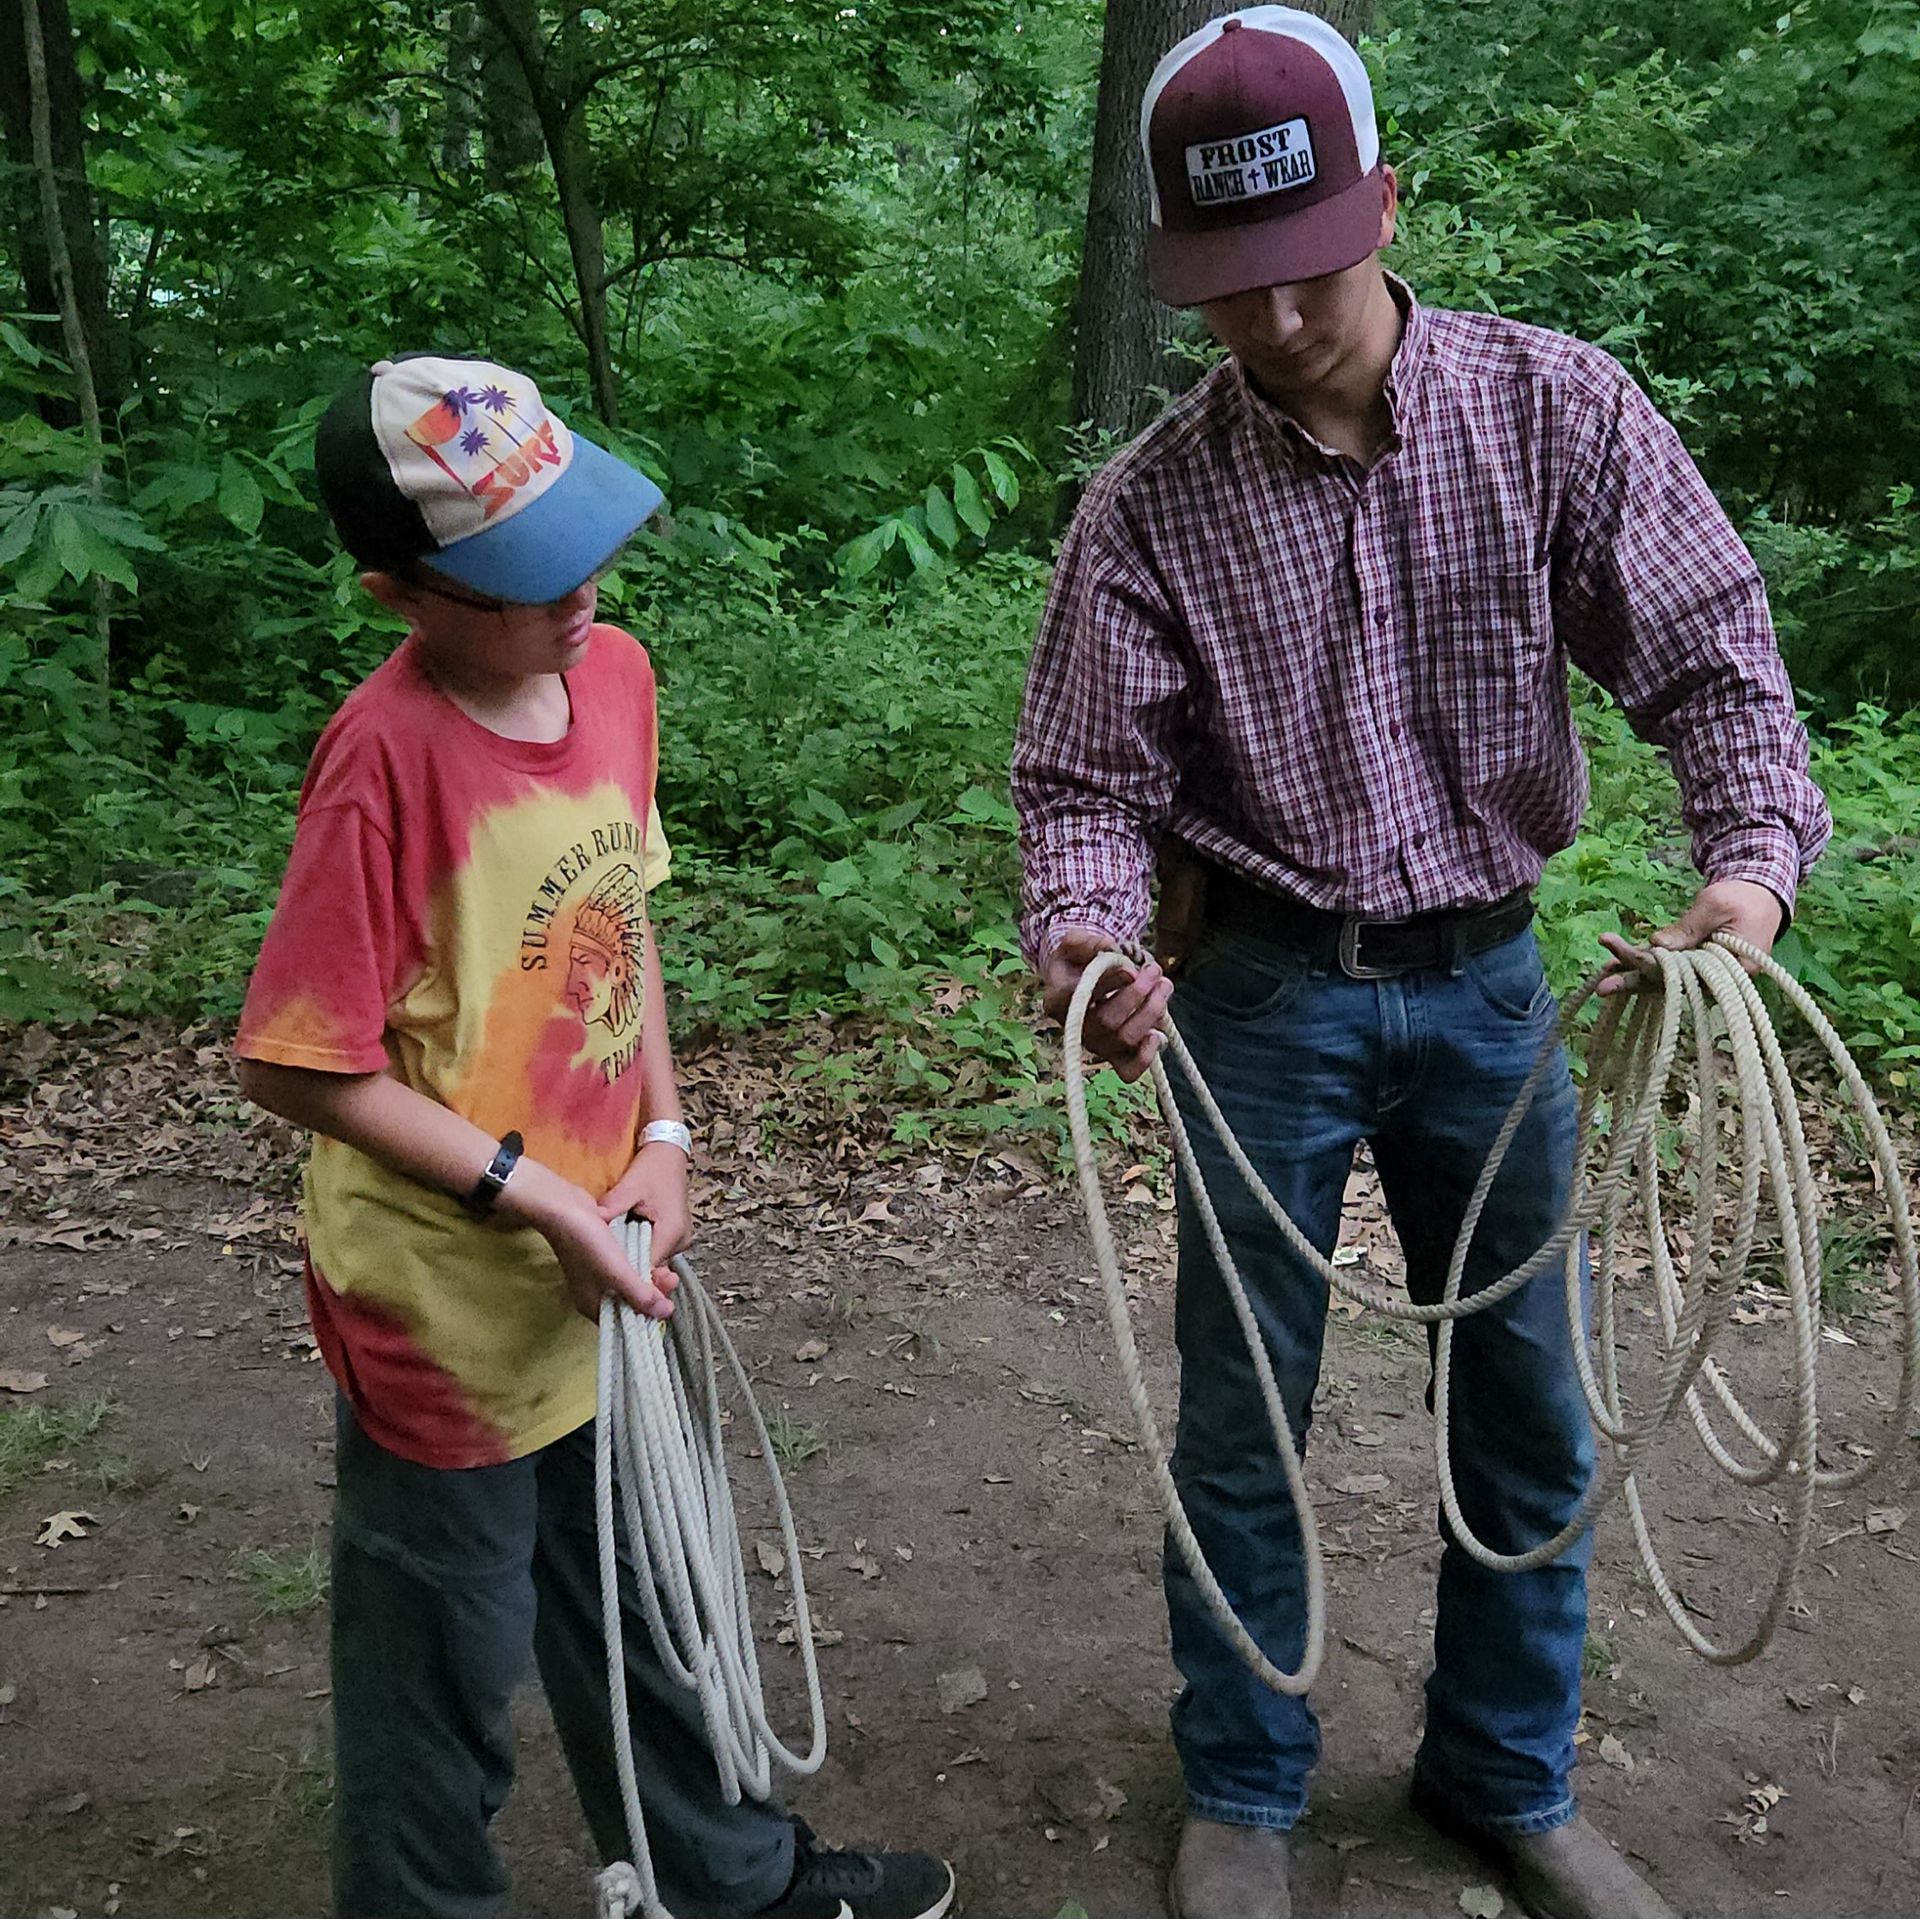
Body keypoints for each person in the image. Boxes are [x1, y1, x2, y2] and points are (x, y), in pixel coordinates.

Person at [1012, 12, 1829, 1919]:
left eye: (1309, 264)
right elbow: (1080, 785)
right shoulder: (1148, 504)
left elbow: (1713, 656)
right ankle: (1244, 1784)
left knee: (1531, 1397)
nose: (1279, 318)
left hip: (1490, 987)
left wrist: (1753, 882)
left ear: (1386, 203)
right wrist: (1089, 938)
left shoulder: (1560, 411)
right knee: (1241, 1409)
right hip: (1262, 1001)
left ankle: (1504, 1773)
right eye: (1231, 286)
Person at [235, 352, 956, 1919]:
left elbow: (616, 936)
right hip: (444, 1308)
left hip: (599, 1265)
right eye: (518, 580)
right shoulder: (387, 763)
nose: (575, 596)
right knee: (444, 1668)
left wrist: (668, 1137)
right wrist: (529, 1196)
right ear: (398, 594)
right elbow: (299, 1063)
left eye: (583, 545)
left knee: (648, 1598)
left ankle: (728, 1882)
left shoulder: (613, 677)